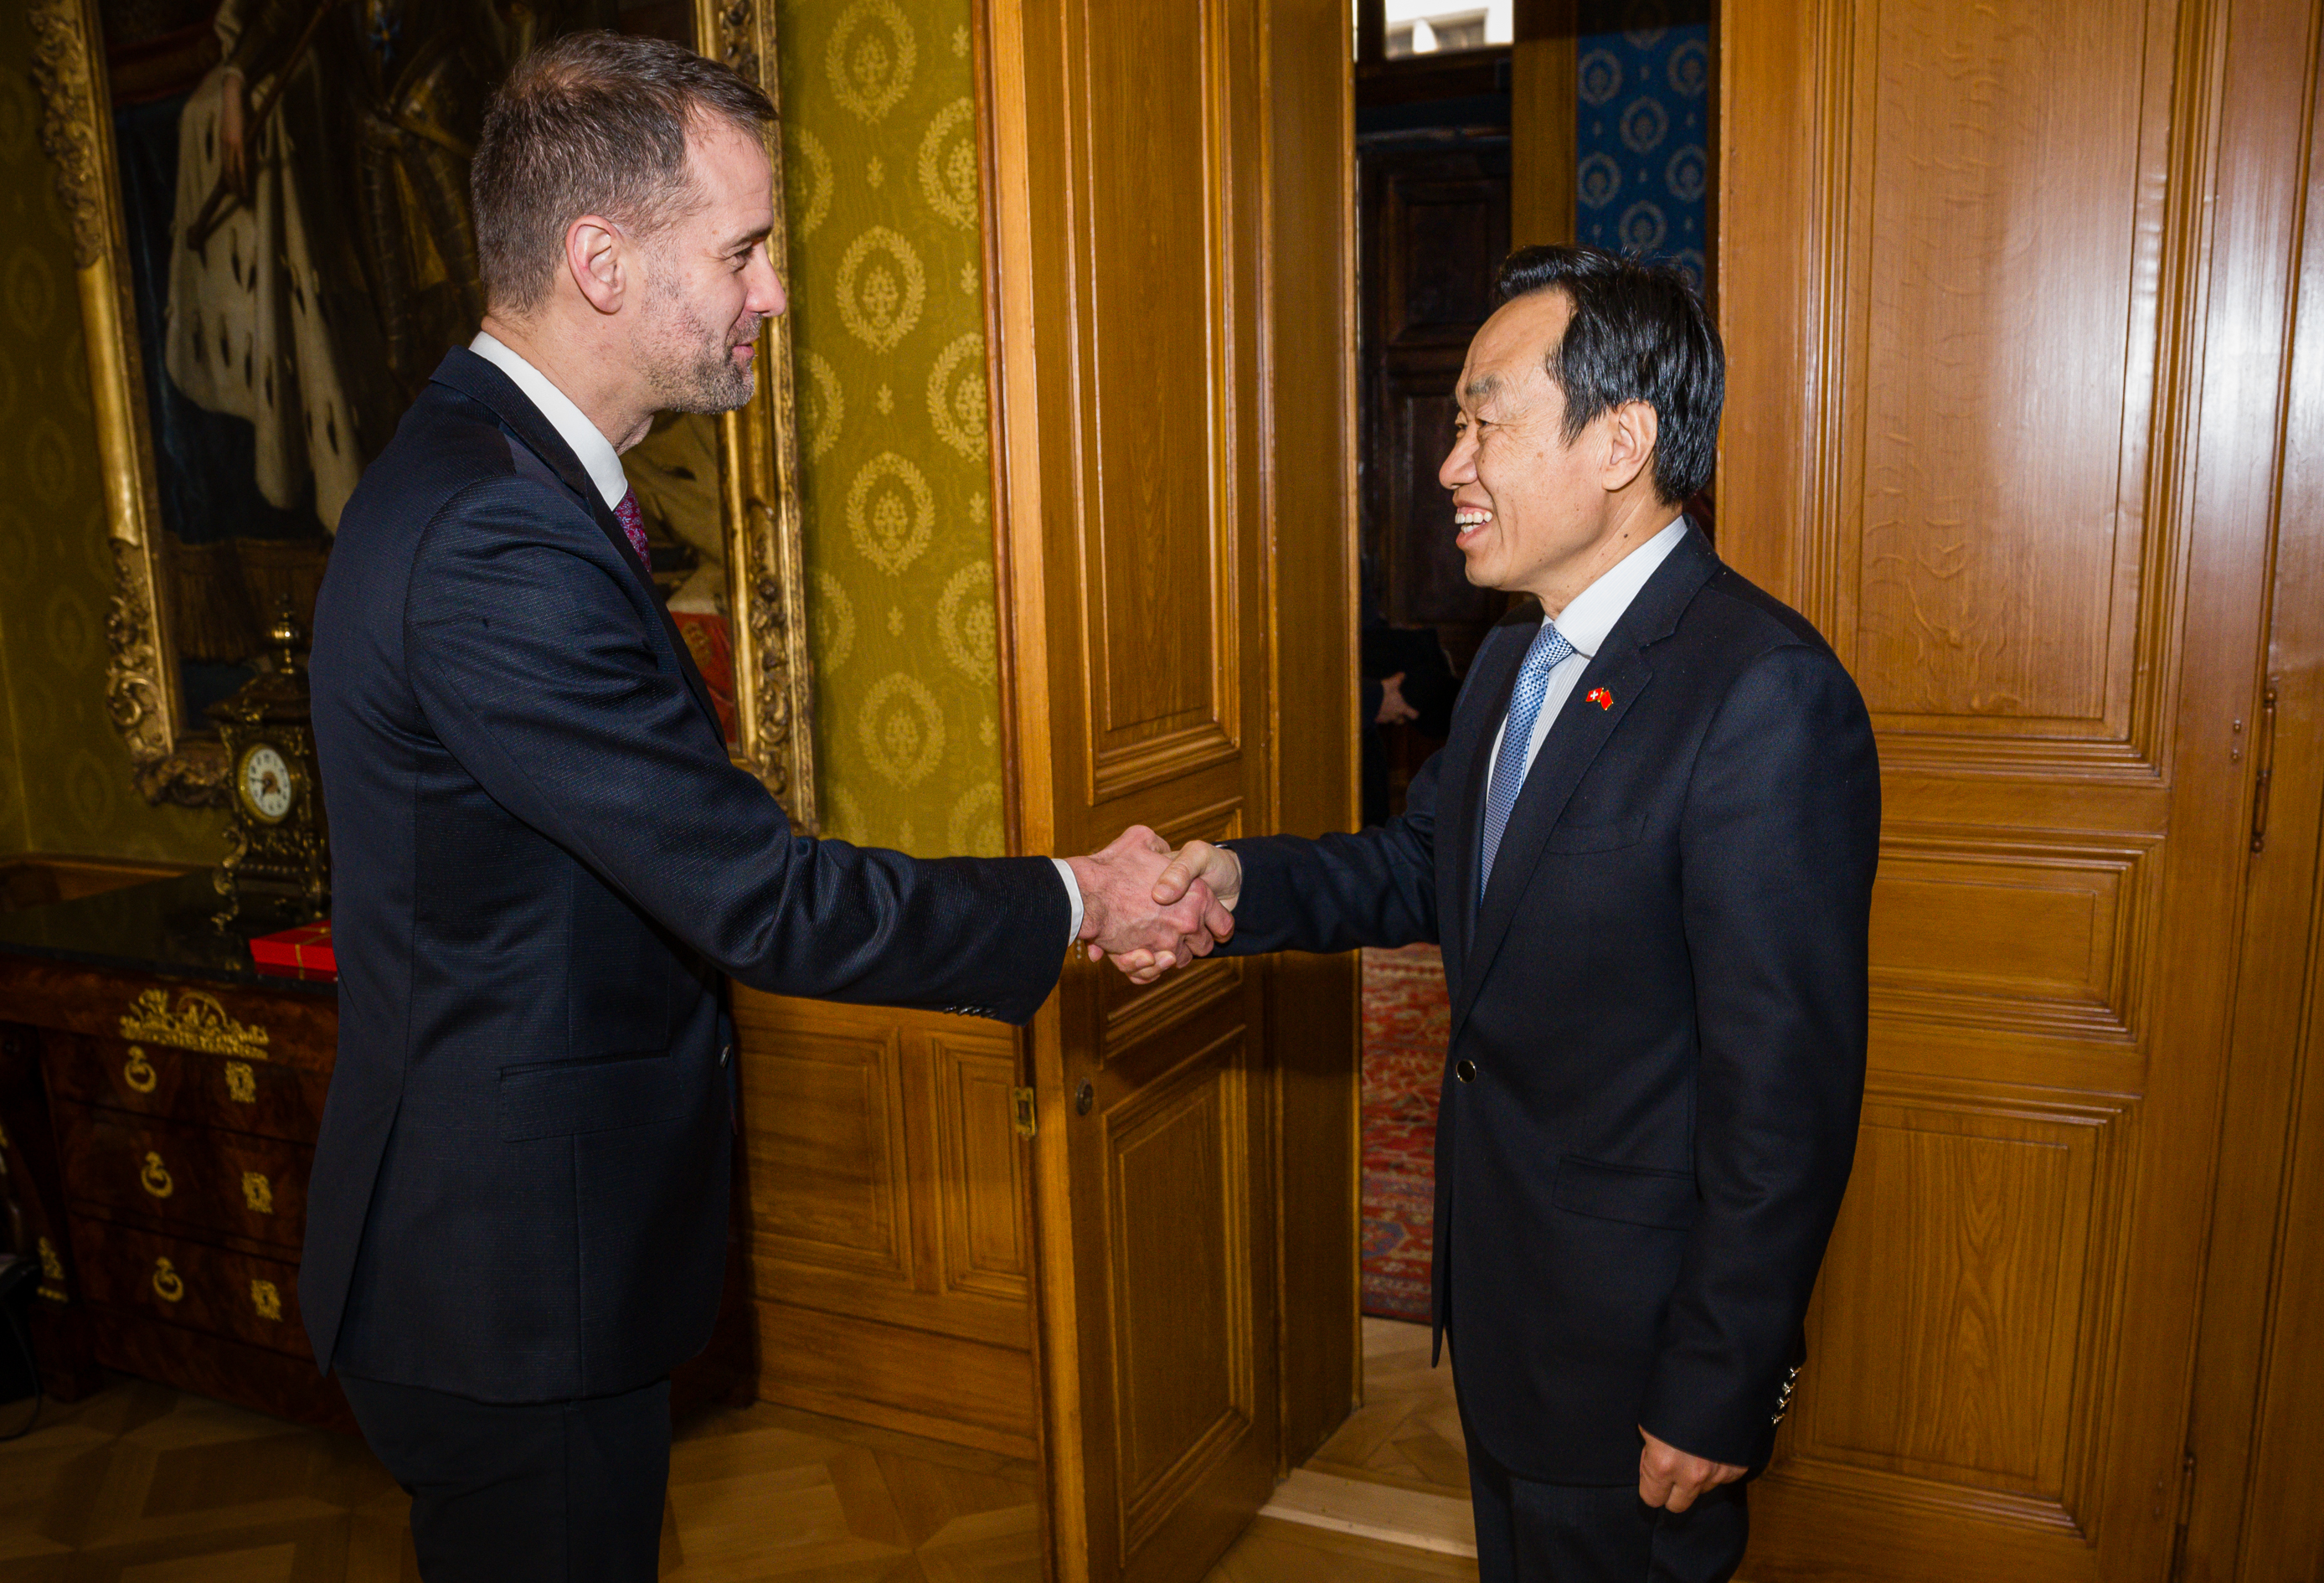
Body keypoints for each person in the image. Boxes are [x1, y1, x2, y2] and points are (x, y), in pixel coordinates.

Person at [300, 34, 1225, 1582]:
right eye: (743, 250)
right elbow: (762, 895)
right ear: (599, 260)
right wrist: (1082, 894)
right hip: (511, 1282)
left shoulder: (492, 475)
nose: (774, 292)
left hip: (514, 1256)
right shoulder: (492, 538)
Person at [1140, 246, 1879, 1583]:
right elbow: (1422, 871)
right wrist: (1238, 885)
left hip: (1633, 1351)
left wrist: (1718, 1379)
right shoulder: (1509, 657)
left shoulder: (1762, 695)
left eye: (1485, 421)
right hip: (1508, 1317)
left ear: (1620, 441)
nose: (1449, 463)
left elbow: (1787, 1098)